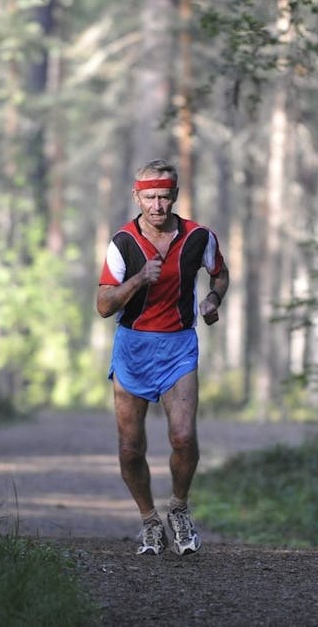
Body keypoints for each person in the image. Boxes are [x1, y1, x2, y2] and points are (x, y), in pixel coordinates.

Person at [96, 159, 229, 556]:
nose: (157, 206)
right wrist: (139, 279)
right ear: (137, 198)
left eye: (164, 197)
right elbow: (103, 305)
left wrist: (212, 299)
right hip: (133, 348)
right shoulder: (122, 243)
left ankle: (179, 509)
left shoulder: (199, 237)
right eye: (150, 197)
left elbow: (220, 273)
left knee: (184, 437)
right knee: (130, 448)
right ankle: (150, 521)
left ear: (175, 197)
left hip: (178, 347)